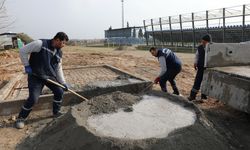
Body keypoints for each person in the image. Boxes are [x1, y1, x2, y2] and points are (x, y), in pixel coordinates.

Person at [15, 32, 69, 129]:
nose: (64, 45)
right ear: (57, 40)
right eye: (63, 43)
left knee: (59, 91)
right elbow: (23, 50)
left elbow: (58, 68)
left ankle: (56, 112)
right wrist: (27, 65)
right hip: (36, 75)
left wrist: (63, 82)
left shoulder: (59, 52)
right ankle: (21, 118)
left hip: (48, 76)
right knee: (33, 98)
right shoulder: (40, 44)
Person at [188, 34, 211, 101]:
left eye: (204, 42)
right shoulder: (200, 47)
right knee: (197, 81)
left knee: (206, 82)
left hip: (208, 69)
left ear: (208, 42)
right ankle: (192, 96)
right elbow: (197, 56)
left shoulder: (212, 48)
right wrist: (195, 63)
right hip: (200, 67)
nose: (202, 43)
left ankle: (203, 97)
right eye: (202, 42)